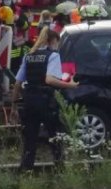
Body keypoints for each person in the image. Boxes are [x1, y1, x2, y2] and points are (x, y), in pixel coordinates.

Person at [15, 28, 78, 171]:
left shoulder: (28, 56)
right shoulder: (53, 56)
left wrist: (14, 105)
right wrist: (70, 85)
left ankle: (26, 169)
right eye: (58, 42)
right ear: (53, 41)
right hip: (46, 101)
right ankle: (60, 167)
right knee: (55, 136)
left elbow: (18, 83)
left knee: (30, 138)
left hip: (29, 101)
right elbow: (49, 80)